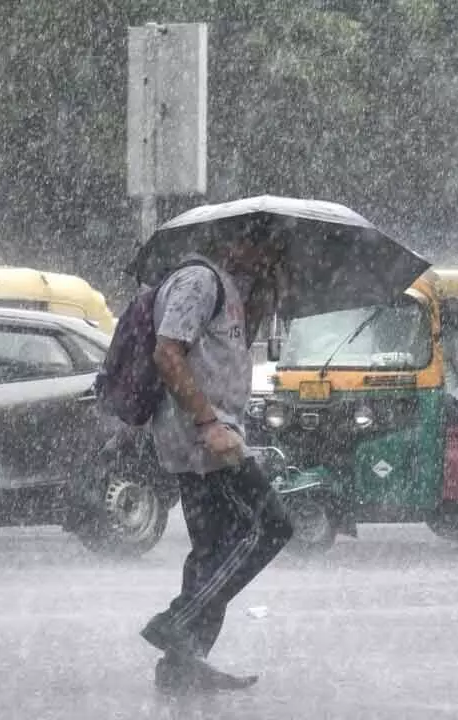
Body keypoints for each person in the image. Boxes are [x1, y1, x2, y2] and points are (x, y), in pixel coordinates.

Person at [139, 233, 295, 695]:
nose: (271, 256)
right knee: (269, 527)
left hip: (216, 433)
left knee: (213, 548)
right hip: (204, 437)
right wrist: (209, 424)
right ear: (237, 240)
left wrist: (265, 292)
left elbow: (226, 353)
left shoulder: (228, 287)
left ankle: (182, 665)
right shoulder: (199, 280)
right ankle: (179, 622)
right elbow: (167, 353)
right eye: (266, 245)